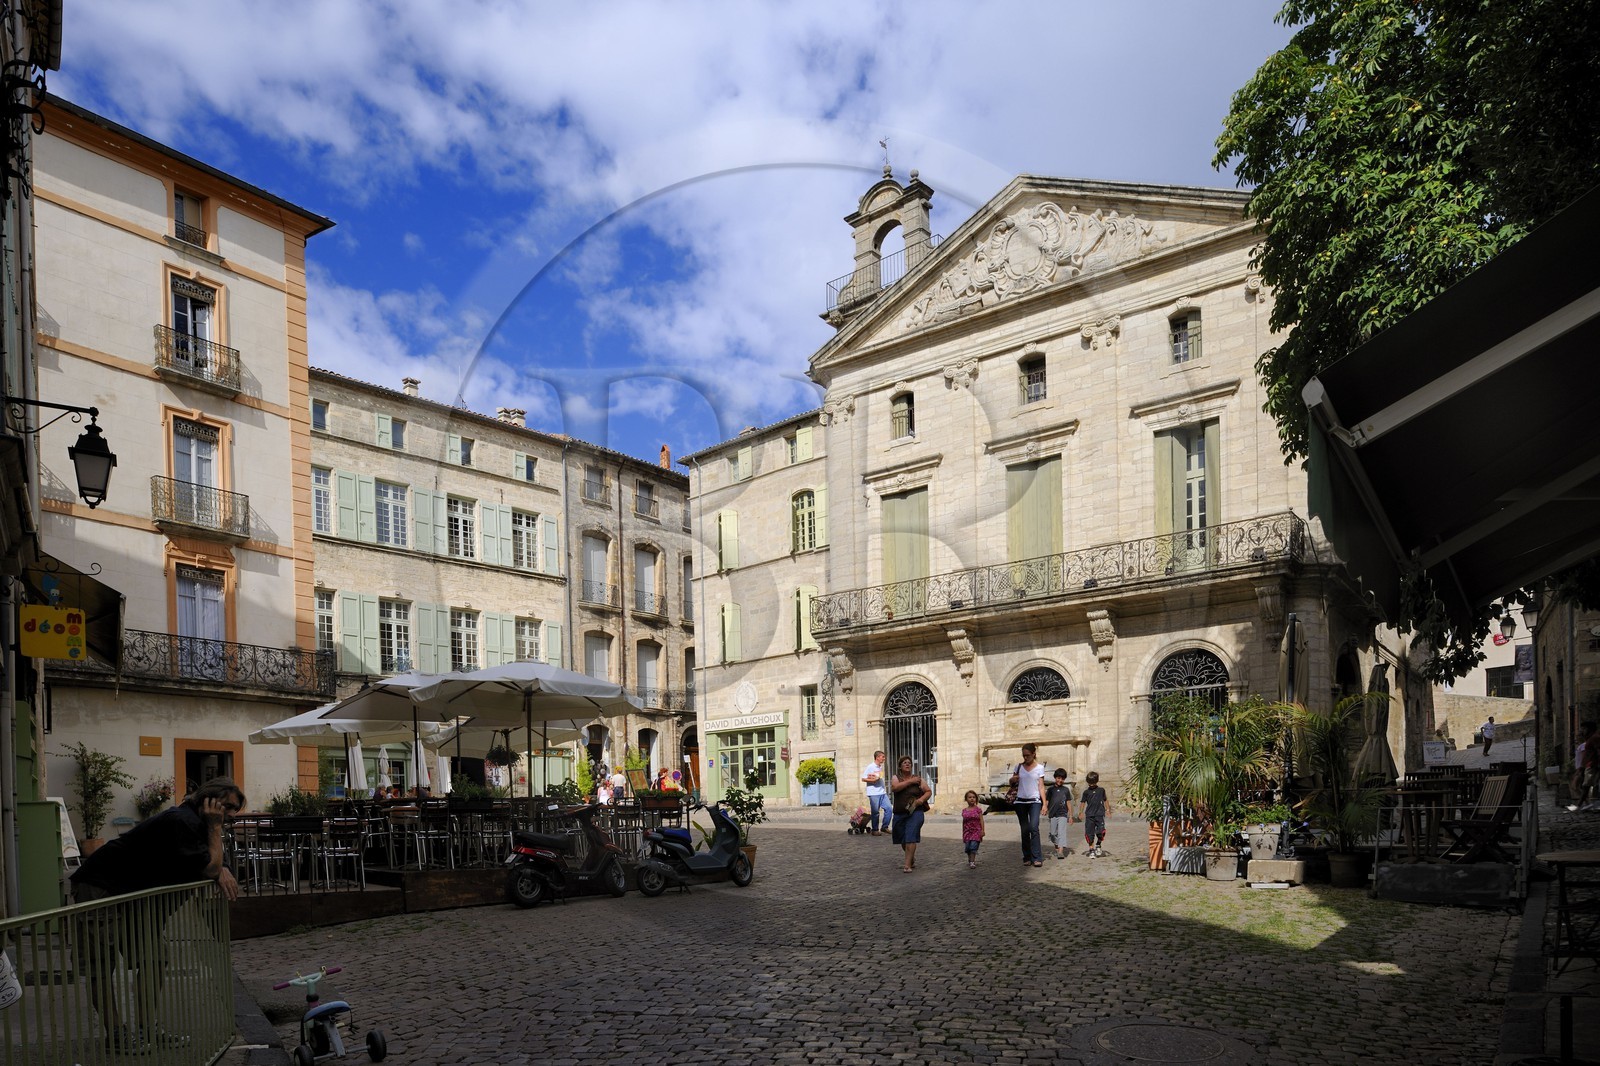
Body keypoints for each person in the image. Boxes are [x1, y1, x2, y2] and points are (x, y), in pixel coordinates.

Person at [70, 777, 245, 1053]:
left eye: (236, 809)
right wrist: (215, 838)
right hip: (101, 887)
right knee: (101, 967)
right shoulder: (183, 821)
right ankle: (116, 1034)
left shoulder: (197, 825)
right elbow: (211, 868)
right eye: (228, 807)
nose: (232, 815)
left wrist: (219, 863)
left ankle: (145, 1029)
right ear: (208, 801)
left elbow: (215, 864)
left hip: (133, 896)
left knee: (154, 958)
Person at [890, 756, 932, 872]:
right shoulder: (896, 778)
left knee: (911, 837)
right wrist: (910, 782)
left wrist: (921, 800)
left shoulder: (918, 779)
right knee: (903, 840)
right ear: (900, 766)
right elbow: (895, 788)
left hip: (915, 812)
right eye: (904, 763)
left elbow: (928, 791)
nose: (907, 764)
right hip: (900, 813)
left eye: (909, 763)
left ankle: (907, 865)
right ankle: (911, 858)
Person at [1009, 743, 1048, 867]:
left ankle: (1037, 857)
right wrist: (1012, 780)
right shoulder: (1018, 767)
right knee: (1025, 830)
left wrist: (1044, 803)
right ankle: (1027, 856)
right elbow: (1011, 783)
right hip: (1020, 801)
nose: (1025, 758)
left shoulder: (1040, 768)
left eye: (1027, 755)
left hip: (1034, 801)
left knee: (1034, 827)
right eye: (1023, 755)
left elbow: (1041, 786)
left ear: (1033, 754)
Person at [1077, 771, 1109, 858]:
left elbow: (1105, 800)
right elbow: (1083, 802)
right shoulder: (1086, 792)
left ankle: (1098, 844)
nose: (1091, 785)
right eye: (1089, 783)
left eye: (1093, 783)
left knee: (1101, 831)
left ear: (1097, 781)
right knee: (1089, 833)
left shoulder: (1101, 790)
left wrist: (1108, 810)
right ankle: (1091, 850)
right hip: (1089, 815)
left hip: (1099, 814)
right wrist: (1080, 812)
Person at [1046, 768, 1074, 860]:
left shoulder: (1066, 790)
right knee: (1053, 834)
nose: (1060, 780)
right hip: (1052, 814)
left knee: (1062, 833)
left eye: (1062, 779)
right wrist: (1044, 808)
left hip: (1062, 814)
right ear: (1055, 778)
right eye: (1058, 778)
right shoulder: (1050, 790)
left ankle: (1060, 851)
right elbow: (1047, 801)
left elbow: (1068, 803)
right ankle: (1058, 846)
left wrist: (1070, 816)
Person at [1567, 722, 1596, 811]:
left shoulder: (1587, 743)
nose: (1575, 739)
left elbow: (1585, 756)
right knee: (1582, 786)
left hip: (1588, 767)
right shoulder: (1584, 744)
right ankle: (1585, 804)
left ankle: (1583, 805)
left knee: (1582, 786)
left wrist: (1580, 769)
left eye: (1583, 729)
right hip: (1585, 767)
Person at [862, 750, 891, 836]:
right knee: (875, 812)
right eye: (883, 757)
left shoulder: (880, 767)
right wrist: (873, 780)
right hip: (874, 793)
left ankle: (884, 827)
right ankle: (875, 830)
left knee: (889, 809)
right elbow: (863, 778)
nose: (884, 758)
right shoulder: (870, 767)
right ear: (877, 757)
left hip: (882, 792)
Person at [961, 790, 986, 869]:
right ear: (966, 799)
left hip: (976, 831)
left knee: (973, 846)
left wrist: (982, 830)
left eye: (973, 797)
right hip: (967, 832)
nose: (972, 799)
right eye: (970, 797)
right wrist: (963, 832)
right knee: (968, 847)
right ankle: (970, 859)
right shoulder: (964, 811)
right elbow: (964, 822)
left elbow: (981, 820)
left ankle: (972, 862)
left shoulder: (978, 810)